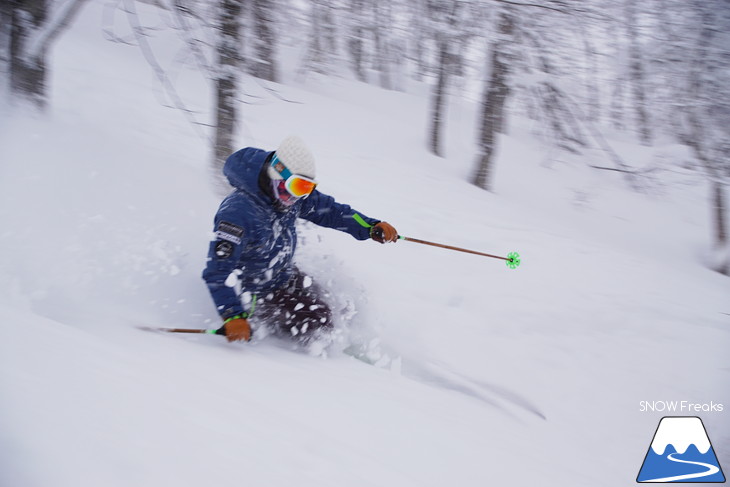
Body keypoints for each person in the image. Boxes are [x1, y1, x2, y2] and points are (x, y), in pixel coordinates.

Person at [202, 136, 398, 343]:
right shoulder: (237, 214)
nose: (297, 197)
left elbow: (331, 211)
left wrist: (370, 226)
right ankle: (330, 362)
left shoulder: (288, 197)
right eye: (297, 186)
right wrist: (233, 315)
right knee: (322, 324)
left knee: (342, 308)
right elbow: (217, 272)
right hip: (255, 293)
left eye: (306, 188)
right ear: (275, 175)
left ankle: (352, 343)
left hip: (283, 275)